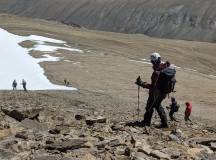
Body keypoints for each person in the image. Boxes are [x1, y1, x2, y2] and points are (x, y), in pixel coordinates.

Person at [135, 52, 171, 128]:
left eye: (152, 61)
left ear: (154, 61)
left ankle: (146, 123)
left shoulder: (156, 72)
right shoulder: (164, 68)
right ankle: (164, 123)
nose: (151, 63)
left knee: (149, 107)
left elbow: (153, 87)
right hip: (163, 93)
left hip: (155, 94)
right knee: (157, 106)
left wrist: (142, 83)